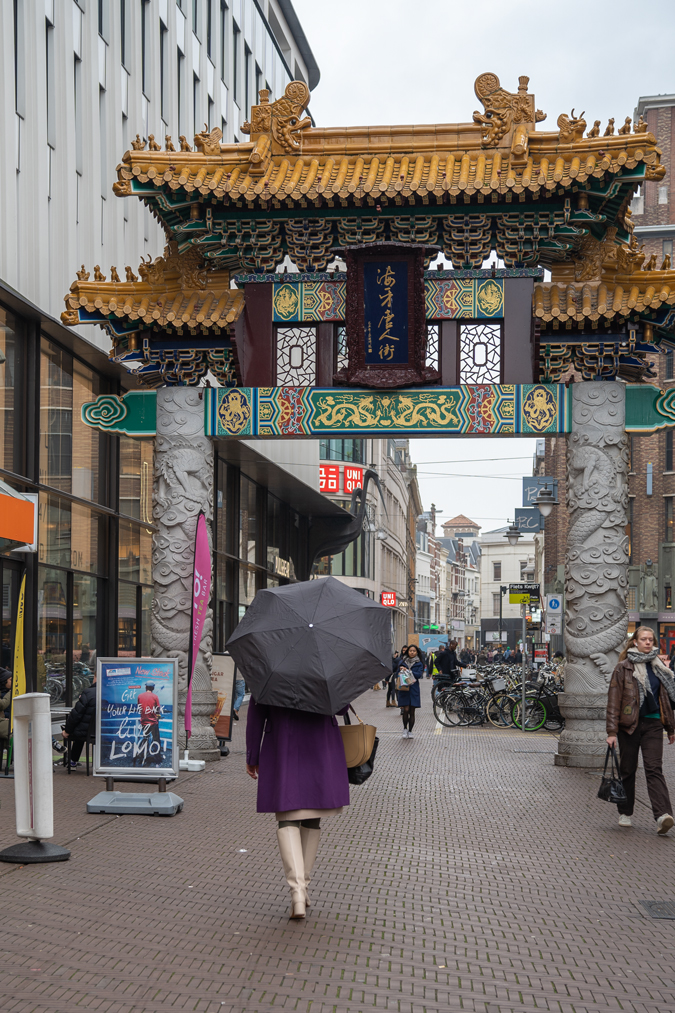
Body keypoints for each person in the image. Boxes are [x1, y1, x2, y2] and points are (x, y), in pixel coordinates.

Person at [246, 699, 350, 919]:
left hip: (283, 743)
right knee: (313, 814)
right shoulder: (325, 674)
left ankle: (297, 892)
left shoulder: (269, 676)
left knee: (288, 815)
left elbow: (257, 712)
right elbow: (341, 708)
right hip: (320, 744)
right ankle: (302, 889)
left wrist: (252, 754)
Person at [606, 626, 675, 834]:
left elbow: (665, 700)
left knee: (654, 769)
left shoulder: (658, 666)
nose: (647, 642)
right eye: (644, 639)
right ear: (635, 642)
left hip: (654, 725)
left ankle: (663, 815)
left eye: (650, 640)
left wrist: (670, 728)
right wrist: (611, 732)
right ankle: (625, 812)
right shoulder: (623, 668)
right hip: (629, 726)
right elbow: (614, 701)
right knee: (628, 769)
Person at [62, 672, 96, 767]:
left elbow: (76, 714)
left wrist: (67, 730)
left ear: (95, 677)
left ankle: (73, 761)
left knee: (78, 731)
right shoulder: (112, 692)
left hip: (86, 731)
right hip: (104, 731)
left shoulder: (88, 693)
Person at [396, 644, 423, 738]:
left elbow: (419, 675)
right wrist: (401, 670)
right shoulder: (402, 662)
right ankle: (405, 728)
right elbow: (397, 674)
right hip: (404, 688)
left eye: (414, 651)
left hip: (414, 689)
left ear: (417, 652)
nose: (412, 652)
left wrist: (408, 671)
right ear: (408, 652)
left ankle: (410, 731)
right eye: (410, 651)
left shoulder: (419, 663)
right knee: (406, 709)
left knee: (412, 711)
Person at [137, 681, 162, 763]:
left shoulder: (140, 696)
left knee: (145, 738)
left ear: (145, 687)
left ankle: (142, 755)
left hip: (144, 722)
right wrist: (158, 716)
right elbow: (158, 709)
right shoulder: (155, 697)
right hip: (153, 722)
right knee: (156, 740)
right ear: (153, 688)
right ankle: (157, 758)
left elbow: (140, 708)